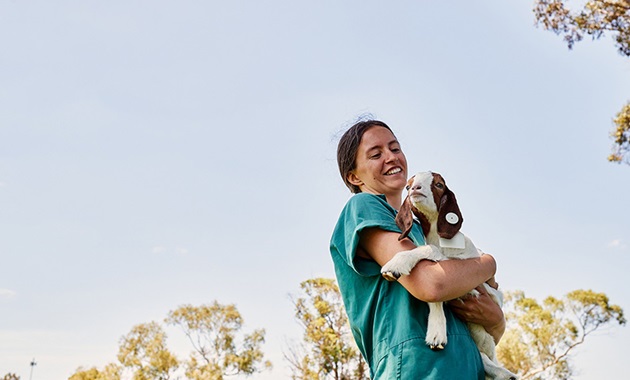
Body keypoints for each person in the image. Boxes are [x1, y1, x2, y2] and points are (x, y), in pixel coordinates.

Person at [330, 120, 505, 379]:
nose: (391, 157)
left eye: (395, 148)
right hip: (416, 369)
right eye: (376, 154)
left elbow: (481, 324)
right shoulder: (363, 207)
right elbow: (432, 285)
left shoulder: (421, 230)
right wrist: (488, 264)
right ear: (354, 176)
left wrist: (496, 321)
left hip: (467, 368)